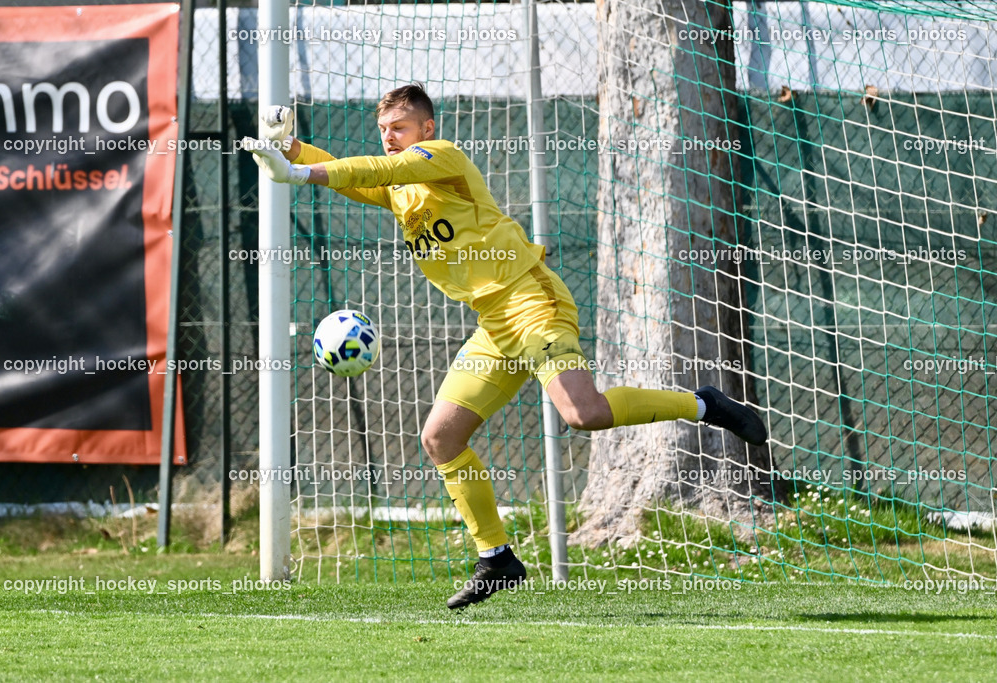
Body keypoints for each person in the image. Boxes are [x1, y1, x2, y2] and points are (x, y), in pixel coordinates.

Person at [242, 84, 767, 610]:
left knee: (583, 414)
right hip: (493, 325)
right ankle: (495, 558)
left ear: (426, 129)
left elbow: (375, 172)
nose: (389, 139)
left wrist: (299, 172)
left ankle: (705, 404)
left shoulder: (442, 158)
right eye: (383, 130)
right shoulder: (401, 187)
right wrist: (289, 150)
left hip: (531, 301)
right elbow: (352, 175)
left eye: (398, 128)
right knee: (441, 437)